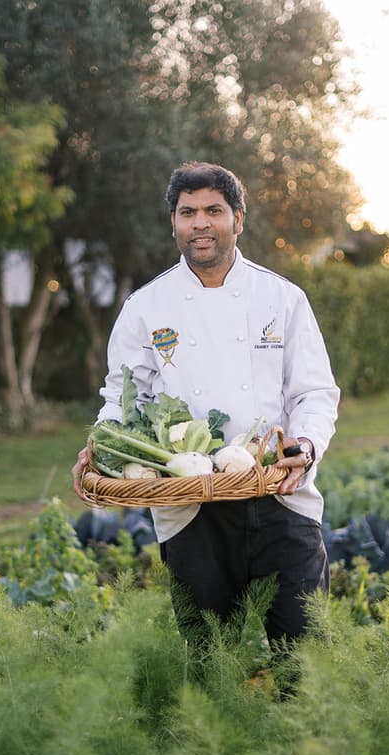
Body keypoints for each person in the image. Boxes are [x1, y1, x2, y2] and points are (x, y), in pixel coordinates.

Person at [72, 161, 340, 661]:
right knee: (211, 659)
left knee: (306, 657)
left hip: (278, 494)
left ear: (238, 219)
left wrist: (303, 449)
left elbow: (314, 393)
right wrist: (101, 448)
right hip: (188, 505)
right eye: (187, 212)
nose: (200, 223)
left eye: (213, 210)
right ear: (173, 222)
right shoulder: (146, 307)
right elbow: (122, 398)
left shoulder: (282, 299)